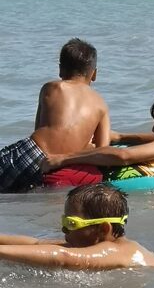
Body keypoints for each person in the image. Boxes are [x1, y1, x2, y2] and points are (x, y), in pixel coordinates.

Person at [0, 38, 110, 193]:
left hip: (31, 152)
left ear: (60, 70)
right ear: (94, 74)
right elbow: (103, 151)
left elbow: (39, 128)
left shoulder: (51, 88)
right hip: (54, 166)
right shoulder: (101, 104)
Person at [0, 184, 154, 270]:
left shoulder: (119, 251)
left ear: (103, 229)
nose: (64, 230)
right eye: (64, 222)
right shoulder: (96, 243)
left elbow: (63, 257)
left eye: (71, 223)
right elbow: (37, 244)